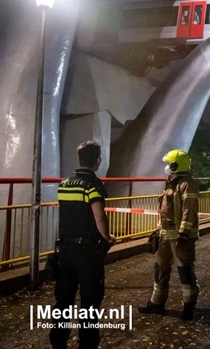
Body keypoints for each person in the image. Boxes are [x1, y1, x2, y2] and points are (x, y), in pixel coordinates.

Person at [49, 140, 116, 349]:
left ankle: (58, 341)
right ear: (97, 159)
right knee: (89, 300)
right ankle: (87, 343)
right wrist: (108, 237)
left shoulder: (65, 183)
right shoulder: (93, 185)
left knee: (64, 299)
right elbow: (99, 218)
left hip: (65, 250)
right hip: (87, 251)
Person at [138, 149, 200, 320]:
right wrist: (158, 230)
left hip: (180, 237)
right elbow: (166, 210)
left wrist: (183, 234)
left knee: (185, 271)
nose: (166, 167)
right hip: (166, 234)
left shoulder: (187, 183)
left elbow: (189, 210)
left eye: (168, 163)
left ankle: (189, 307)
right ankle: (156, 304)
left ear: (175, 165)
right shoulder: (172, 182)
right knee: (160, 268)